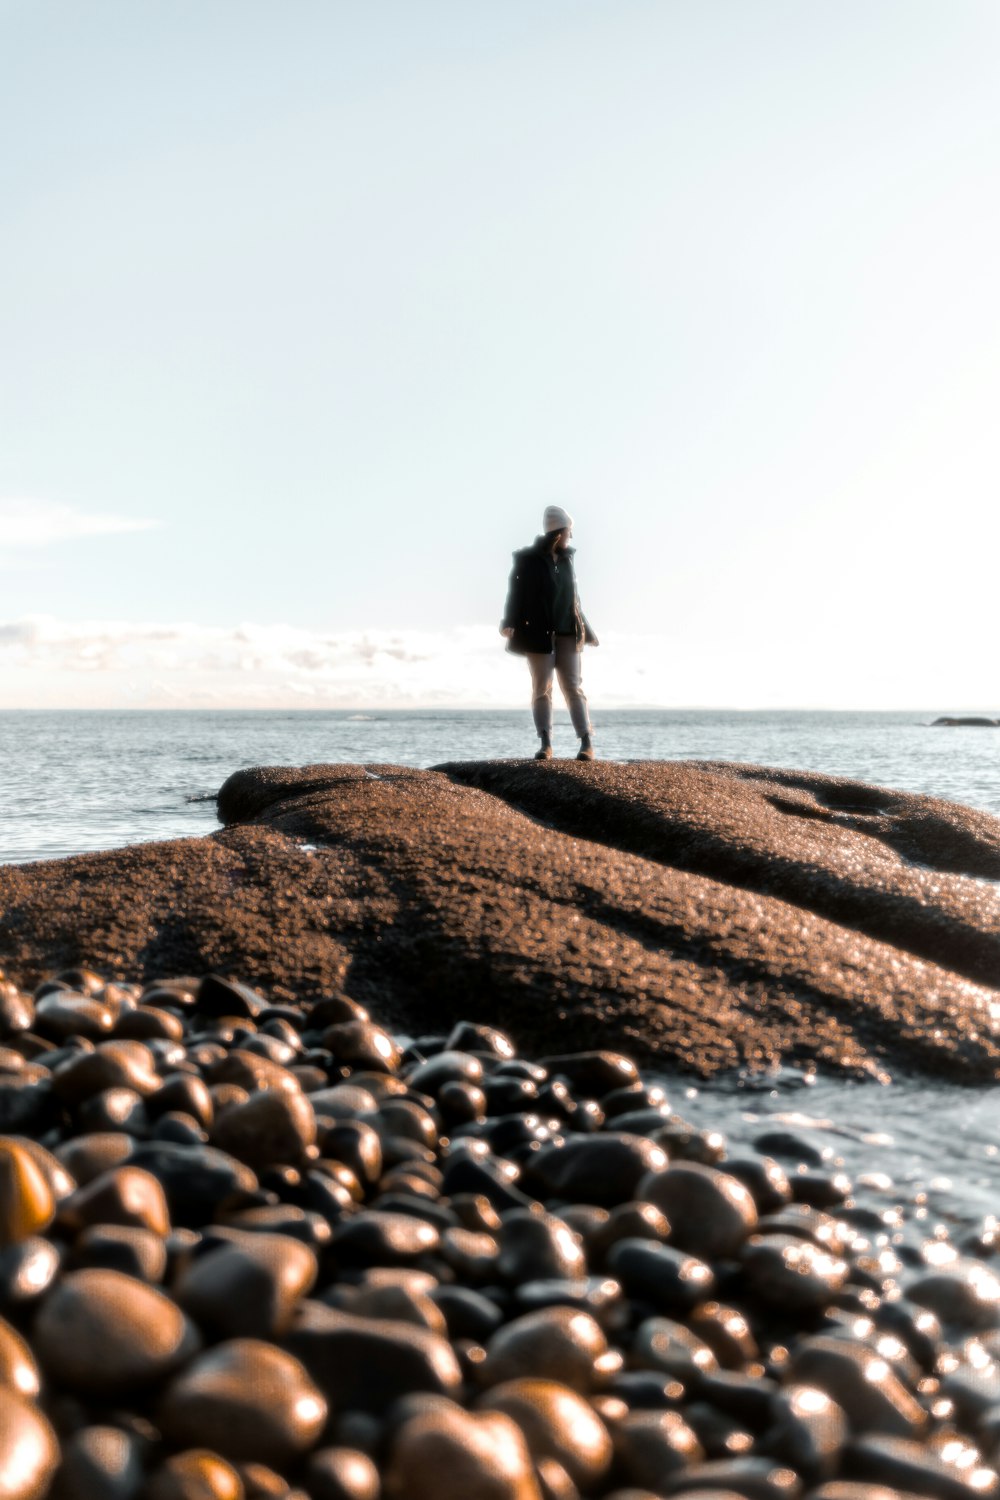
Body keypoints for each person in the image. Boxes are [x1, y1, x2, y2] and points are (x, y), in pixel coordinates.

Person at [500, 505, 599, 761]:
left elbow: (573, 599)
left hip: (569, 630)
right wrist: (509, 621)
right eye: (569, 531)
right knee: (542, 689)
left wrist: (586, 629)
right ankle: (546, 744)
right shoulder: (527, 559)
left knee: (573, 687)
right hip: (538, 633)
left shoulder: (568, 559)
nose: (572, 537)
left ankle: (586, 743)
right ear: (559, 531)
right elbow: (516, 593)